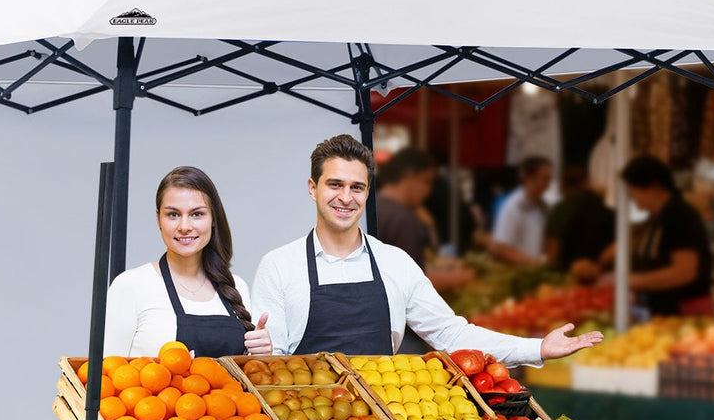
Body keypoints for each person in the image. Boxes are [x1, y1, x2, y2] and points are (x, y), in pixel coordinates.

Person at [250, 134, 602, 362]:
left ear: (368, 193)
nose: (346, 197)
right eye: (335, 185)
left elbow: (451, 334)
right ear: (312, 188)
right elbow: (272, 360)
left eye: (357, 187)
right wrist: (262, 351)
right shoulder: (279, 265)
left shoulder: (394, 263)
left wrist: (537, 347)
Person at [103, 166, 273, 358]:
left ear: (213, 219)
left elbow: (245, 376)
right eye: (173, 214)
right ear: (158, 218)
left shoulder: (236, 286)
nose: (184, 227)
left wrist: (261, 355)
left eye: (197, 214)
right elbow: (107, 376)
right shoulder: (131, 285)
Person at [618, 154, 713, 317]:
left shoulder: (679, 215)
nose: (633, 199)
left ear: (653, 186)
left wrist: (632, 281)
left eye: (633, 191)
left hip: (685, 312)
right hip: (664, 311)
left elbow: (685, 271)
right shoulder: (657, 218)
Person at [543, 163, 614, 274]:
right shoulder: (603, 205)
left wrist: (553, 270)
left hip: (568, 273)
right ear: (588, 181)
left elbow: (552, 248)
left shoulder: (560, 209)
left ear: (563, 185)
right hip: (601, 273)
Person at [374, 147, 437, 266]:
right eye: (426, 181)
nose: (429, 190)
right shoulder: (403, 218)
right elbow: (413, 278)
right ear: (410, 175)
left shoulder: (369, 205)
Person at [490, 155, 553, 266]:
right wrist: (531, 262)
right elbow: (500, 248)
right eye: (544, 179)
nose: (548, 185)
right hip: (516, 272)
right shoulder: (512, 207)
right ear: (529, 178)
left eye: (549, 180)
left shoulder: (545, 207)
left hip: (537, 271)